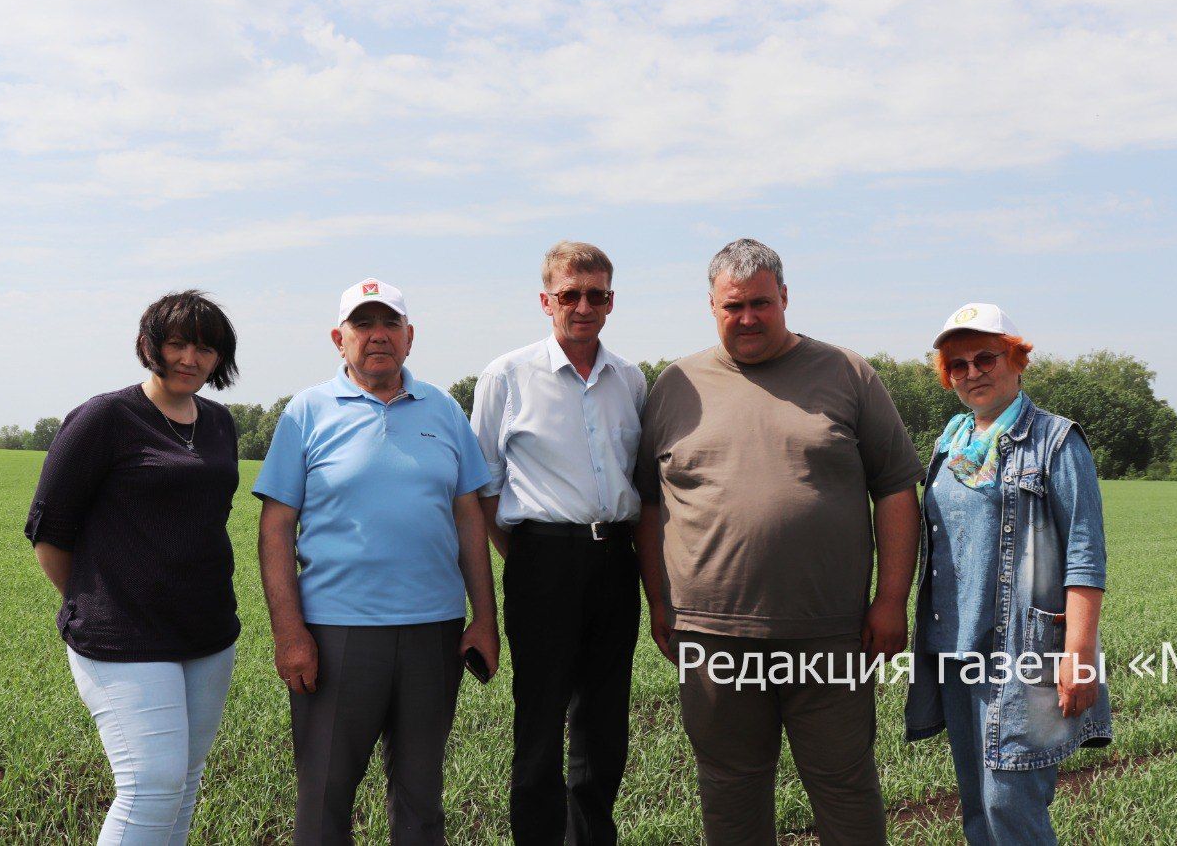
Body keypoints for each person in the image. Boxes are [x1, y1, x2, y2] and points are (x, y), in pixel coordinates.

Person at [634, 239, 924, 846]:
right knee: (729, 787)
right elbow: (649, 502)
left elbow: (896, 488)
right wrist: (660, 605)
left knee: (843, 784)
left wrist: (891, 599)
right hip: (713, 636)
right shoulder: (674, 385)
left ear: (785, 298)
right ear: (711, 305)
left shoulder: (847, 374)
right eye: (733, 306)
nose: (748, 318)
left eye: (761, 303)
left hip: (829, 630)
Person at [254, 279, 499, 846]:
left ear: (410, 338)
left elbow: (468, 518)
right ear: (339, 339)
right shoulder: (305, 413)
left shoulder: (443, 409)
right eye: (363, 325)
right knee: (324, 799)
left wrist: (484, 619)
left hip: (432, 633)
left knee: (421, 799)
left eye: (390, 324)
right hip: (337, 635)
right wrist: (289, 632)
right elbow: (275, 530)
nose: (377, 336)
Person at [25, 290, 241, 845]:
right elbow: (50, 531)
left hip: (207, 632)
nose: (190, 358)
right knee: (149, 785)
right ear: (150, 345)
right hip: (122, 636)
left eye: (205, 348)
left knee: (184, 784)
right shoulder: (106, 417)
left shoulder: (219, 424)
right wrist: (98, 599)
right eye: (177, 343)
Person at [904, 303, 1112, 845]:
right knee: (977, 805)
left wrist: (1080, 655)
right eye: (957, 365)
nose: (972, 372)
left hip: (1026, 654)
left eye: (985, 358)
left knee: (1011, 807)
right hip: (956, 650)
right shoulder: (950, 445)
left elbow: (1085, 555)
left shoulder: (1057, 441)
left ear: (1016, 359)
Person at [470, 241, 646, 844]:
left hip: (615, 562)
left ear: (611, 301)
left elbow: (637, 481)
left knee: (604, 729)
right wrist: (522, 557)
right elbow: (483, 487)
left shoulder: (630, 379)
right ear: (545, 300)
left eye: (595, 294)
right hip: (541, 561)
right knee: (540, 727)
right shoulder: (507, 376)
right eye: (569, 294)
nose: (582, 305)